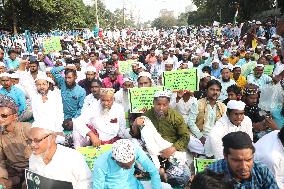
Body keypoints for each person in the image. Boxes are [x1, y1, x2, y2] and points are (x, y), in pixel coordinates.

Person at [132, 91, 190, 187]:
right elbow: (138, 136)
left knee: (185, 176)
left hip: (170, 150)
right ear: (153, 103)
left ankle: (163, 175)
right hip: (151, 151)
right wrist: (135, 124)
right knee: (132, 144)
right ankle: (154, 170)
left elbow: (185, 137)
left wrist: (172, 149)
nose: (161, 108)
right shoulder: (146, 115)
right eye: (158, 104)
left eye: (164, 105)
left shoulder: (176, 117)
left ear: (168, 104)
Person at [207, 131, 279, 189]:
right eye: (237, 161)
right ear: (225, 156)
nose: (244, 167)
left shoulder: (262, 171)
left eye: (248, 160)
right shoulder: (211, 176)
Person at [28, 124, 92, 189]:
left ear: (52, 138)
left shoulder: (72, 157)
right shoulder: (33, 157)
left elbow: (86, 181)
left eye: (37, 140)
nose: (32, 145)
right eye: (30, 141)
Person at [92, 139, 172, 189]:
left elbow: (153, 171)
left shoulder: (135, 149)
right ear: (114, 159)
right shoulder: (101, 164)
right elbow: (98, 186)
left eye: (131, 163)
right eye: (126, 167)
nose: (130, 168)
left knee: (166, 187)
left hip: (135, 185)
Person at [187, 79, 226, 155]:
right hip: (200, 136)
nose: (215, 92)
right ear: (206, 90)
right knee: (189, 140)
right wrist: (200, 137)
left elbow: (224, 125)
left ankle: (205, 152)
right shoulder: (197, 103)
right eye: (212, 89)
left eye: (217, 90)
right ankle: (210, 152)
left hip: (215, 137)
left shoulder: (223, 106)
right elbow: (191, 122)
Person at [0, 94, 31, 189]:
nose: (0, 119)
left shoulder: (26, 128)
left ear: (15, 116)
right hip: (13, 172)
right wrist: (3, 178)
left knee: (26, 186)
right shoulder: (1, 135)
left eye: (4, 116)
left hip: (31, 170)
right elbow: (1, 161)